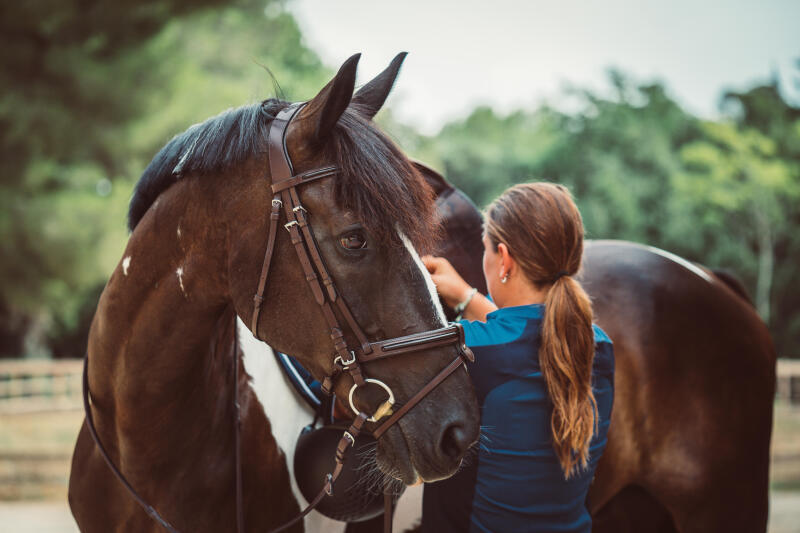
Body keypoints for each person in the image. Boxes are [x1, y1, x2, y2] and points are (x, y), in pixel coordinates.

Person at [421, 182, 614, 533]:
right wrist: (467, 296)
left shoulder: (466, 349)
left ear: (504, 258)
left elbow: (504, 348)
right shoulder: (598, 347)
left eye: (486, 250)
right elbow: (525, 342)